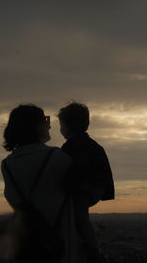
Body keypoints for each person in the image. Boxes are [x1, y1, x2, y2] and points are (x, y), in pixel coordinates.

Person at [0, 104, 85, 263]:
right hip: (60, 245)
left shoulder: (7, 165)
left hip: (26, 246)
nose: (49, 124)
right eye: (45, 120)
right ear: (35, 126)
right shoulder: (59, 158)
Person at [58, 102, 115, 262]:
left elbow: (74, 171)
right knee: (81, 217)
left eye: (61, 124)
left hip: (84, 188)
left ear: (67, 126)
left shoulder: (72, 146)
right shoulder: (92, 145)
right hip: (93, 188)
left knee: (79, 216)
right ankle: (90, 247)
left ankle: (93, 250)